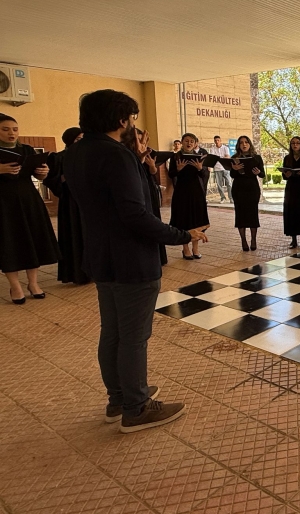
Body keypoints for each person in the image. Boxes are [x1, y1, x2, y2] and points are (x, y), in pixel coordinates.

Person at [63, 89, 207, 433]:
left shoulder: (76, 153)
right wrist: (183, 235)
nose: (133, 125)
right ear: (120, 119)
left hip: (100, 255)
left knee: (111, 332)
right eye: (131, 118)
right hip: (131, 259)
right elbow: (135, 214)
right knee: (133, 337)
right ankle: (137, 407)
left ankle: (118, 399)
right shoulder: (116, 155)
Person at [0, 113, 60, 303]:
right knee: (10, 241)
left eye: (15, 129)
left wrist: (43, 172)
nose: (12, 133)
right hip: (3, 202)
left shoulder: (26, 149)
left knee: (33, 239)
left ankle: (33, 283)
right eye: (5, 129)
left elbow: (39, 176)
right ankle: (15, 285)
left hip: (28, 199)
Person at [44, 127, 90, 285]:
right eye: (78, 139)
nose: (81, 142)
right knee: (75, 235)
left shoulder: (89, 156)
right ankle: (77, 273)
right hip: (71, 204)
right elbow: (51, 180)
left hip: (89, 202)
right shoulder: (59, 158)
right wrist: (64, 179)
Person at [123, 128, 169, 266]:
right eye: (136, 138)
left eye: (140, 138)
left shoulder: (148, 152)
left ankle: (157, 256)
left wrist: (151, 165)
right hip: (136, 191)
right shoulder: (125, 155)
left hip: (149, 188)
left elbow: (153, 172)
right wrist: (139, 159)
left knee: (153, 217)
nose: (140, 142)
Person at [169, 133, 210, 260]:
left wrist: (200, 168)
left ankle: (195, 248)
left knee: (196, 220)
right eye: (186, 141)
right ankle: (185, 249)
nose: (189, 143)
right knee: (184, 219)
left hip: (197, 192)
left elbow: (204, 176)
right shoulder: (176, 156)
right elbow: (171, 174)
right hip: (182, 192)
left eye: (192, 141)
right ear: (182, 142)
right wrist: (178, 169)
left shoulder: (199, 157)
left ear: (195, 143)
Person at [230, 135, 265, 251]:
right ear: (238, 145)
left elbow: (262, 174)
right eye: (241, 143)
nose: (244, 144)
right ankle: (243, 240)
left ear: (249, 144)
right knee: (240, 215)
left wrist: (259, 171)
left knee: (252, 214)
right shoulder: (235, 158)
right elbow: (232, 175)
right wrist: (234, 169)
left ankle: (253, 239)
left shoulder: (256, 158)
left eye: (246, 142)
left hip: (252, 188)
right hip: (238, 189)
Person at [208, 135, 233, 203]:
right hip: (217, 168)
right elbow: (213, 159)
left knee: (229, 183)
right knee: (219, 185)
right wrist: (222, 157)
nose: (217, 142)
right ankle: (223, 198)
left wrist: (218, 158)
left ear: (220, 140)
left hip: (225, 168)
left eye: (218, 140)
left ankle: (231, 198)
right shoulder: (212, 149)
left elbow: (227, 157)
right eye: (215, 140)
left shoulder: (225, 148)